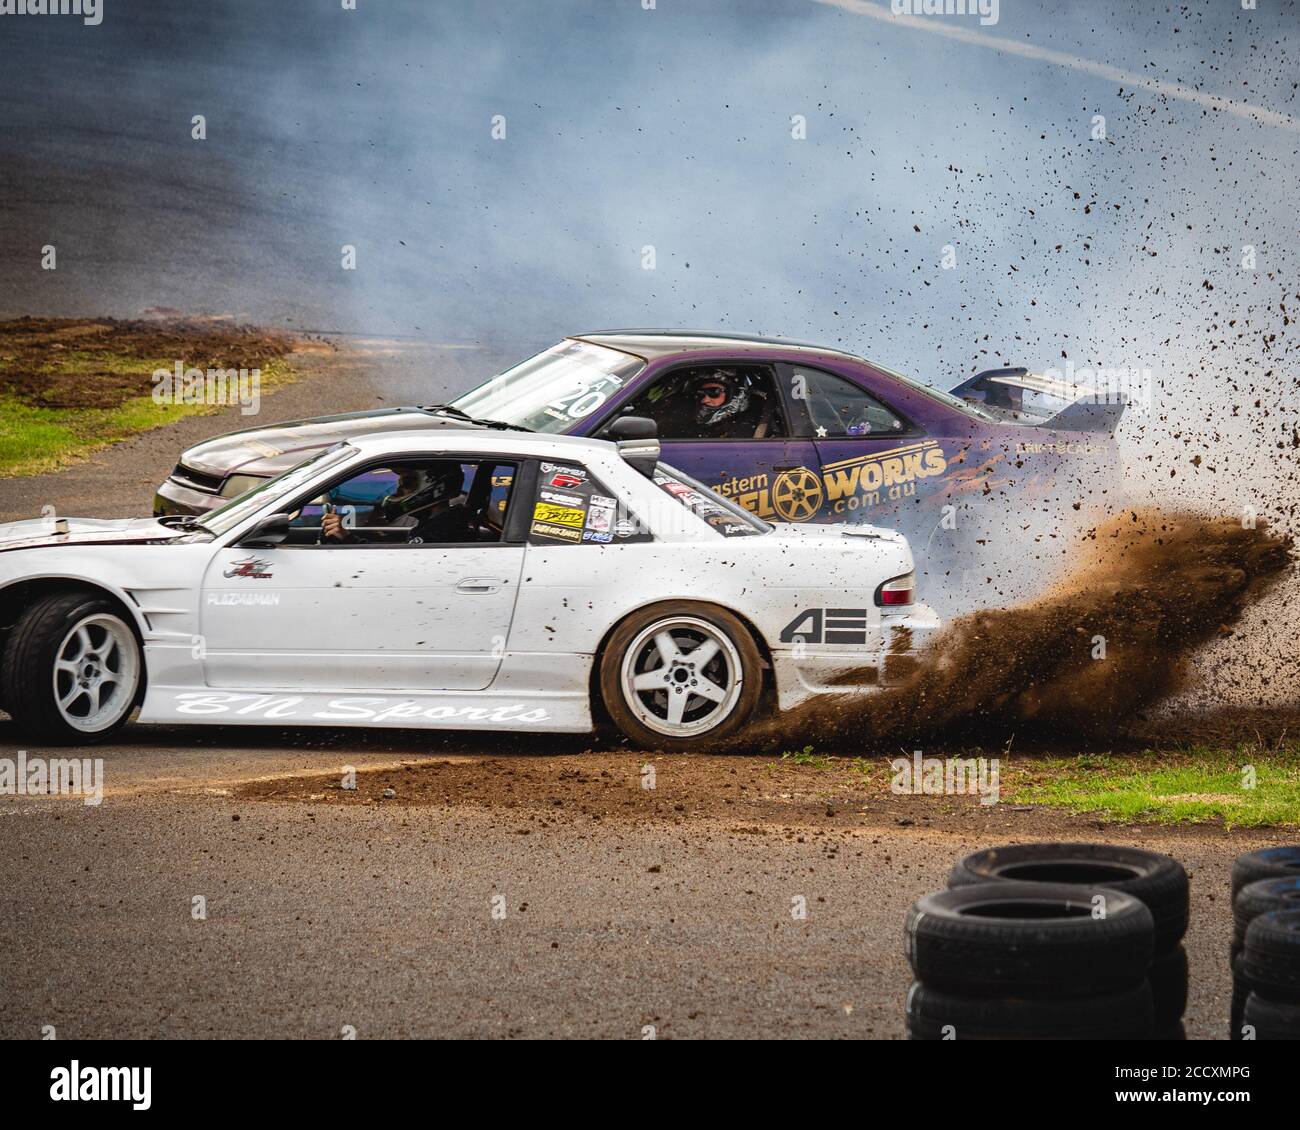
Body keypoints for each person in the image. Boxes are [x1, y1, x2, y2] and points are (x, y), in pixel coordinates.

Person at [321, 463, 474, 543]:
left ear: (435, 486)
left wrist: (347, 538)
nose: (398, 491)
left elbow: (389, 567)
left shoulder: (440, 533)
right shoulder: (437, 525)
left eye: (407, 483)